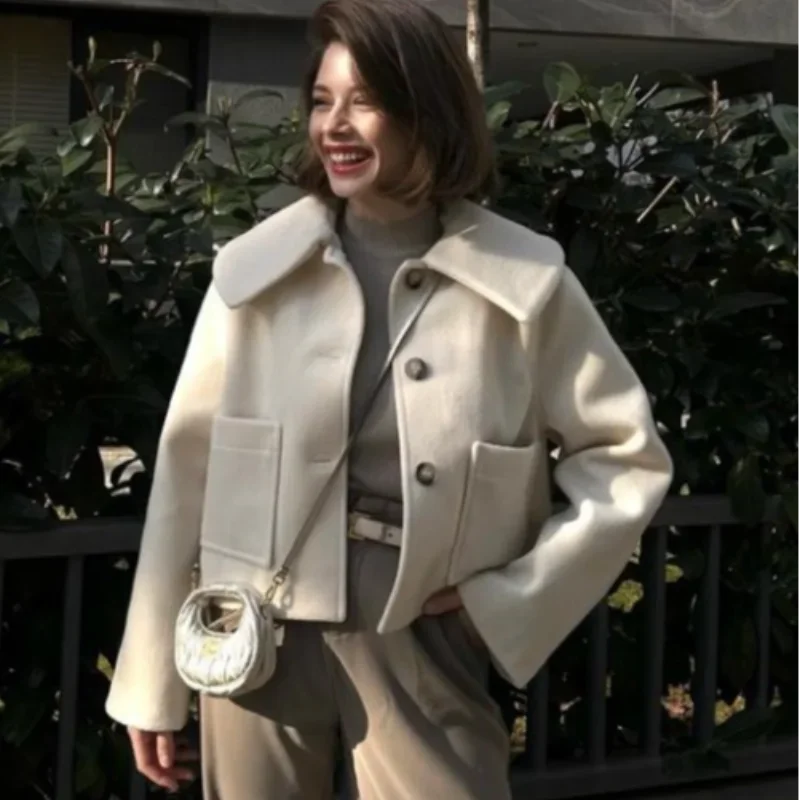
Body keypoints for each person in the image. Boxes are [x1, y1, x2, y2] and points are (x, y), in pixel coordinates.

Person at [105, 0, 673, 797]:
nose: (334, 125)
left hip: (421, 624)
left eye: (364, 101)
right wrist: (150, 680)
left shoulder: (524, 282)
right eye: (321, 100)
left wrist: (499, 606)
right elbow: (186, 468)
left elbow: (625, 459)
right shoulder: (254, 273)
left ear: (426, 113)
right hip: (255, 624)